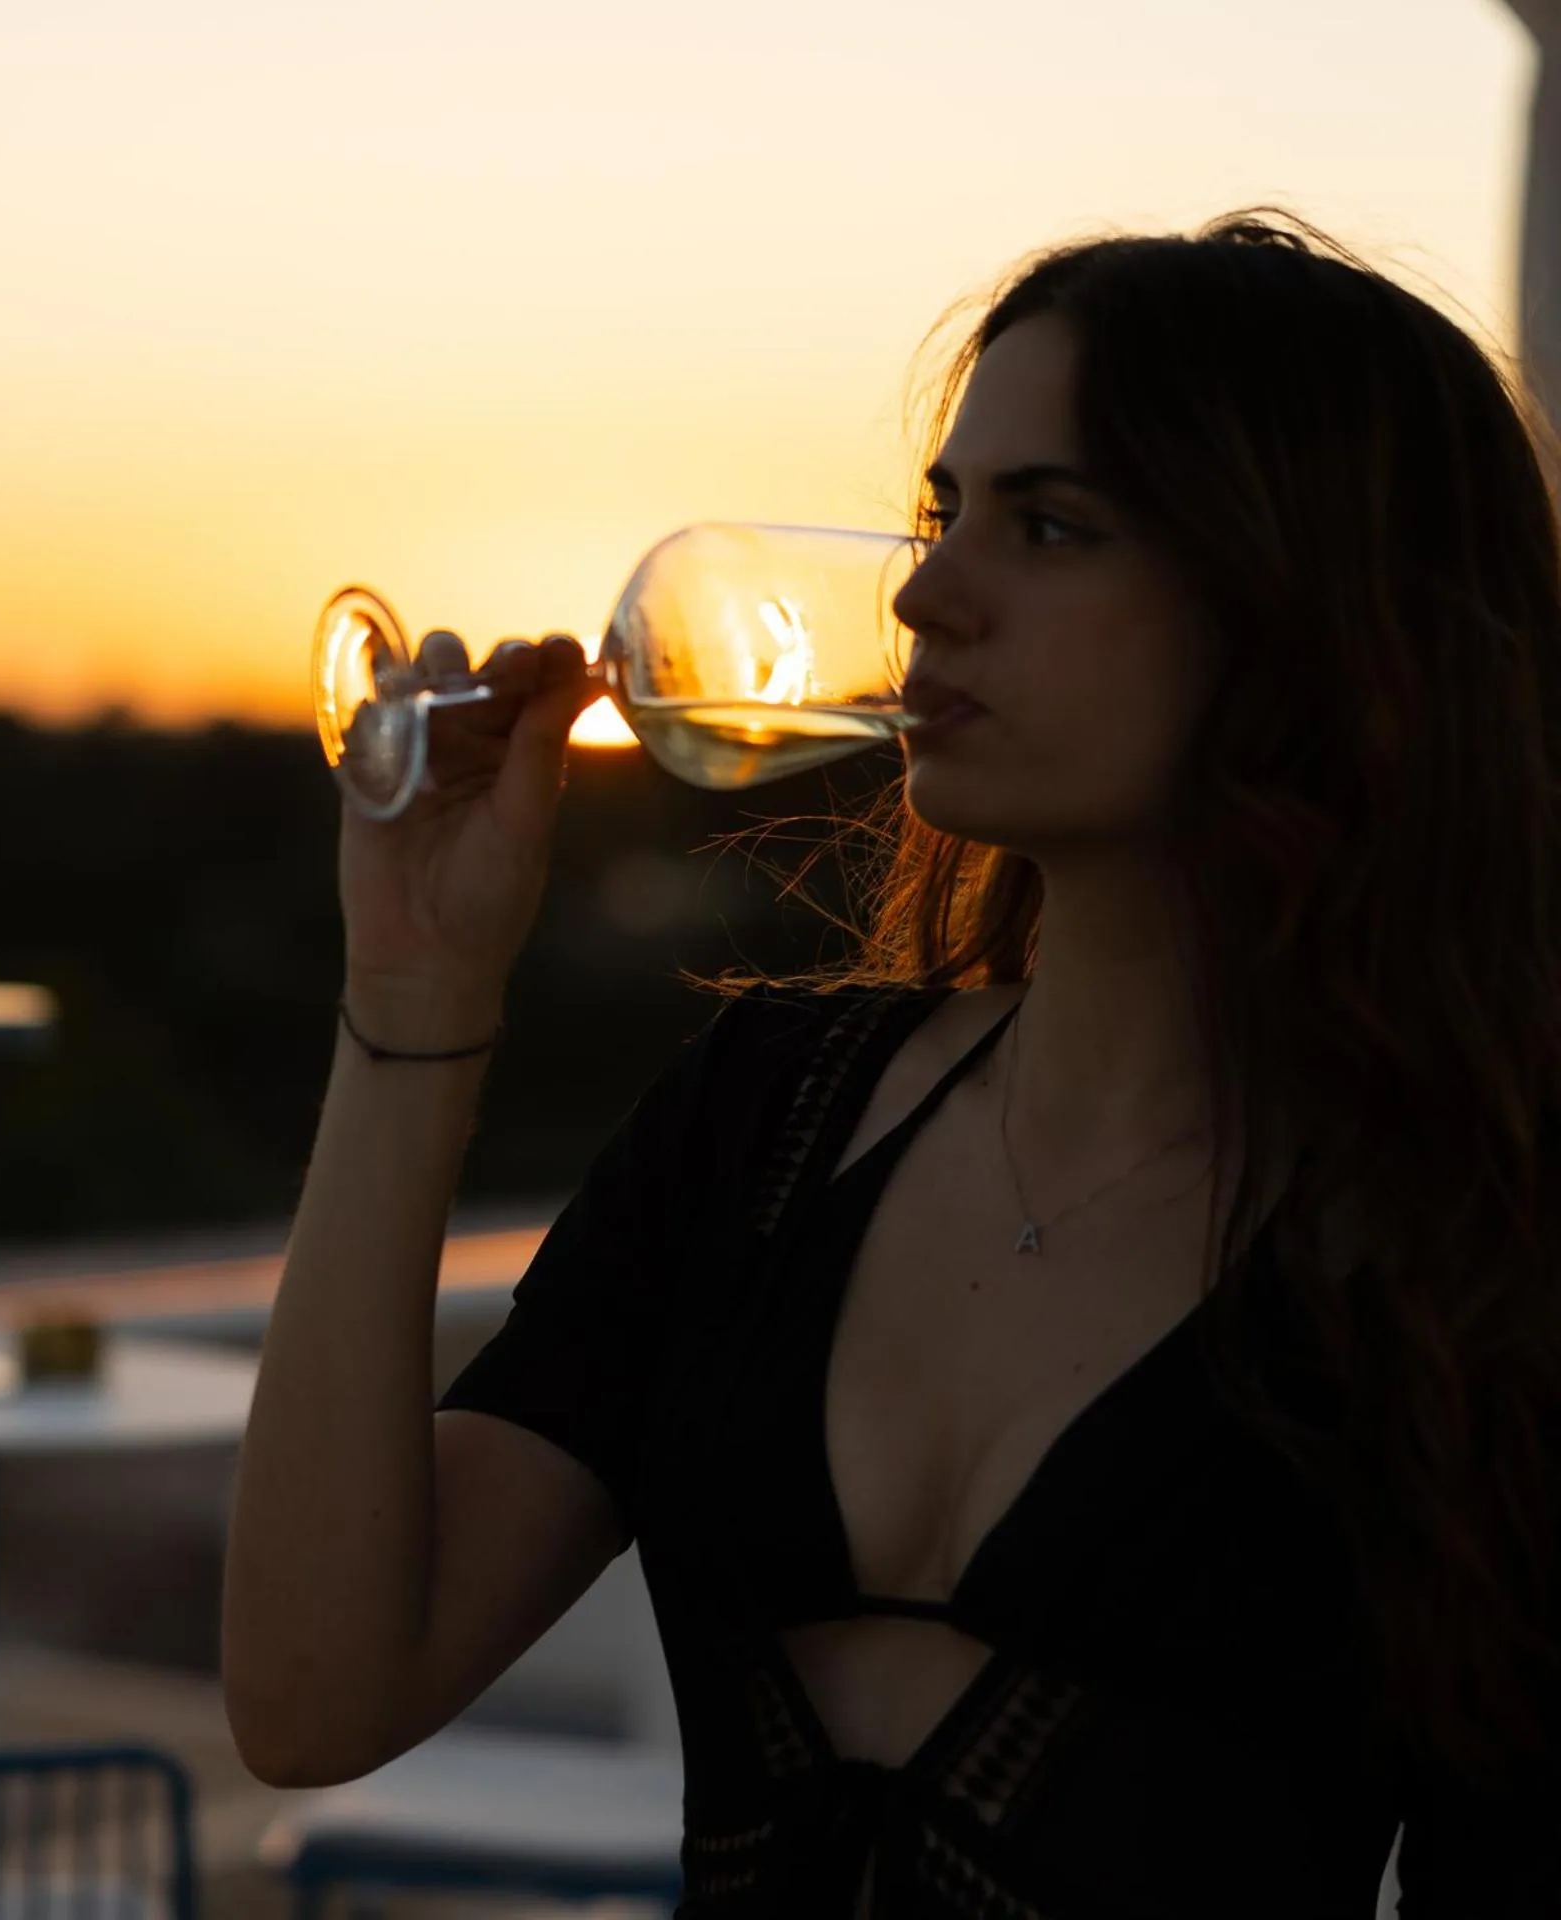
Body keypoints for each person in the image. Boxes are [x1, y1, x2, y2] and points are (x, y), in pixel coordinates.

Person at [222, 209, 1561, 1916]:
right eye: (943, 514)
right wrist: (414, 990)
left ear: (1308, 615)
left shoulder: (1476, 1250)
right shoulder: (767, 1118)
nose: (927, 593)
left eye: (1052, 527)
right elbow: (314, 1693)